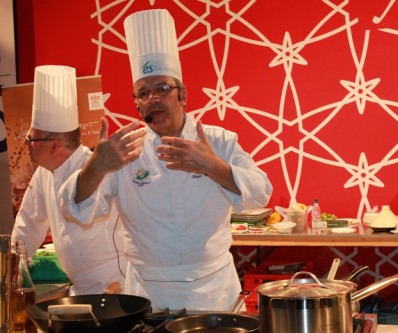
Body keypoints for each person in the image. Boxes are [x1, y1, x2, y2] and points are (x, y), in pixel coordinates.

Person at [60, 8, 272, 311]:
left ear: (182, 95)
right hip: (149, 290)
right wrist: (96, 165)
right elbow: (75, 210)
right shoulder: (123, 149)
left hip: (214, 288)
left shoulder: (217, 140)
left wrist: (212, 165)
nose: (152, 99)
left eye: (162, 88)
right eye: (142, 93)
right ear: (136, 103)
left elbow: (261, 192)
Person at [11, 65, 126, 295]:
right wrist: (12, 267)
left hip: (116, 288)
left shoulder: (95, 169)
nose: (26, 144)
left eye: (30, 139)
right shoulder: (44, 172)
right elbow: (28, 225)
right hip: (79, 290)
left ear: (54, 145)